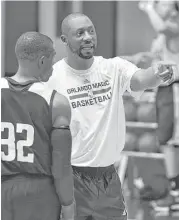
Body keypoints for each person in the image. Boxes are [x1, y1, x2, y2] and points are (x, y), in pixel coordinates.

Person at [46, 13, 177, 220]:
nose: (88, 37)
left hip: (108, 178)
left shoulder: (113, 67)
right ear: (64, 40)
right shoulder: (52, 78)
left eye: (91, 31)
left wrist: (156, 74)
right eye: (79, 33)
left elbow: (140, 79)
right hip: (70, 178)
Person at [1, 32, 75, 220]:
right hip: (40, 193)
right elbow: (61, 166)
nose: (53, 66)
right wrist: (68, 204)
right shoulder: (56, 102)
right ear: (42, 61)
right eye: (52, 58)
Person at [125, 0, 179, 212]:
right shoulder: (166, 33)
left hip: (174, 90)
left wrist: (147, 7)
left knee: (170, 141)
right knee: (167, 141)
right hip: (166, 90)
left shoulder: (172, 26)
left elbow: (162, 27)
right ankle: (173, 194)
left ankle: (174, 195)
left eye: (163, 3)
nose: (160, 7)